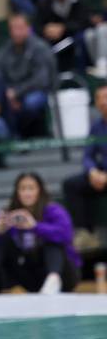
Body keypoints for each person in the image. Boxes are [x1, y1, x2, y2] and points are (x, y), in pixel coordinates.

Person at [0, 172, 79, 295]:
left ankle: (53, 280)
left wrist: (35, 226)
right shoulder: (9, 213)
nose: (27, 193)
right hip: (29, 275)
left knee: (52, 239)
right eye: (23, 189)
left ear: (40, 191)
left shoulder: (53, 210)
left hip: (63, 274)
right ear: (17, 192)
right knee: (0, 240)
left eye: (31, 188)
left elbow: (66, 235)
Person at [0, 13, 57, 138]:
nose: (16, 32)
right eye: (13, 28)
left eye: (20, 28)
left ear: (28, 28)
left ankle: (34, 135)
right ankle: (14, 138)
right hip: (11, 93)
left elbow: (41, 80)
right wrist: (8, 94)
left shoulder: (40, 48)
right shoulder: (4, 50)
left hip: (37, 90)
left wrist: (17, 93)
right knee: (0, 102)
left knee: (31, 102)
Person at [62, 85, 107, 250]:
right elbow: (87, 155)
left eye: (106, 96)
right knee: (71, 184)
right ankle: (85, 233)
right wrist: (92, 171)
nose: (103, 101)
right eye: (99, 98)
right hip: (100, 176)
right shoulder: (96, 126)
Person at [35, 0, 90, 73]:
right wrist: (46, 29)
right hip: (51, 41)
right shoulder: (44, 2)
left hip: (73, 39)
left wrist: (63, 27)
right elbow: (37, 25)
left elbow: (84, 22)